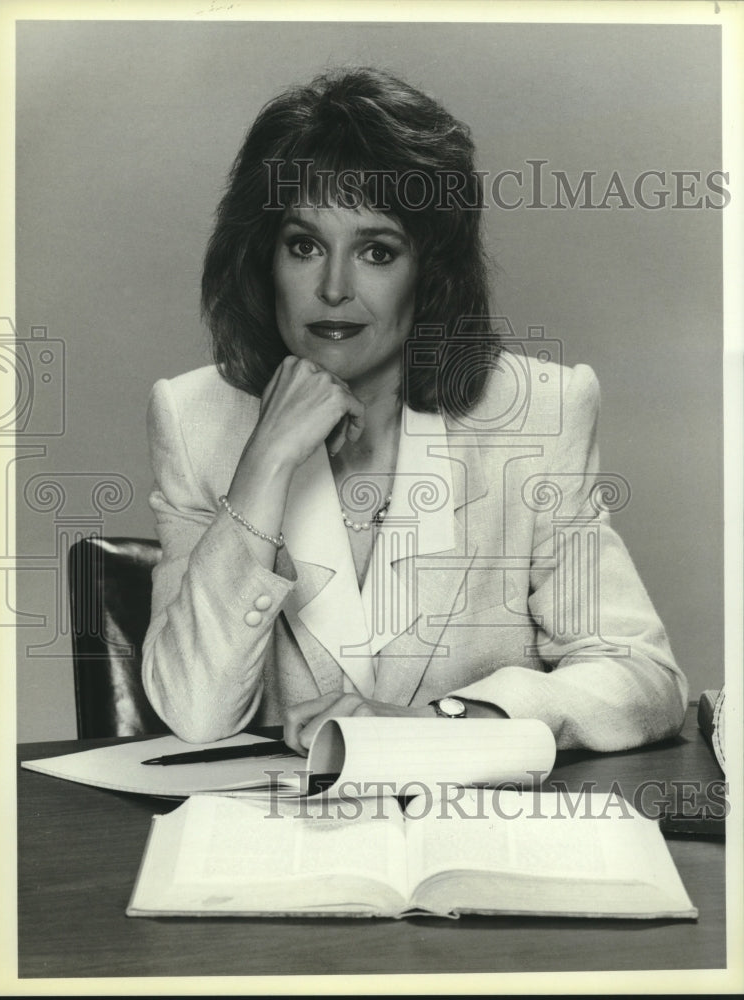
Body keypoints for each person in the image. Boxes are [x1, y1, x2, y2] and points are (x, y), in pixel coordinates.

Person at [141, 67, 687, 755]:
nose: (332, 289)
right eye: (304, 245)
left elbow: (642, 678)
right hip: (284, 816)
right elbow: (194, 714)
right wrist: (266, 462)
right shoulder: (195, 418)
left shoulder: (536, 413)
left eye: (376, 251)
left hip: (476, 815)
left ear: (430, 271)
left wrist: (445, 723)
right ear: (262, 258)